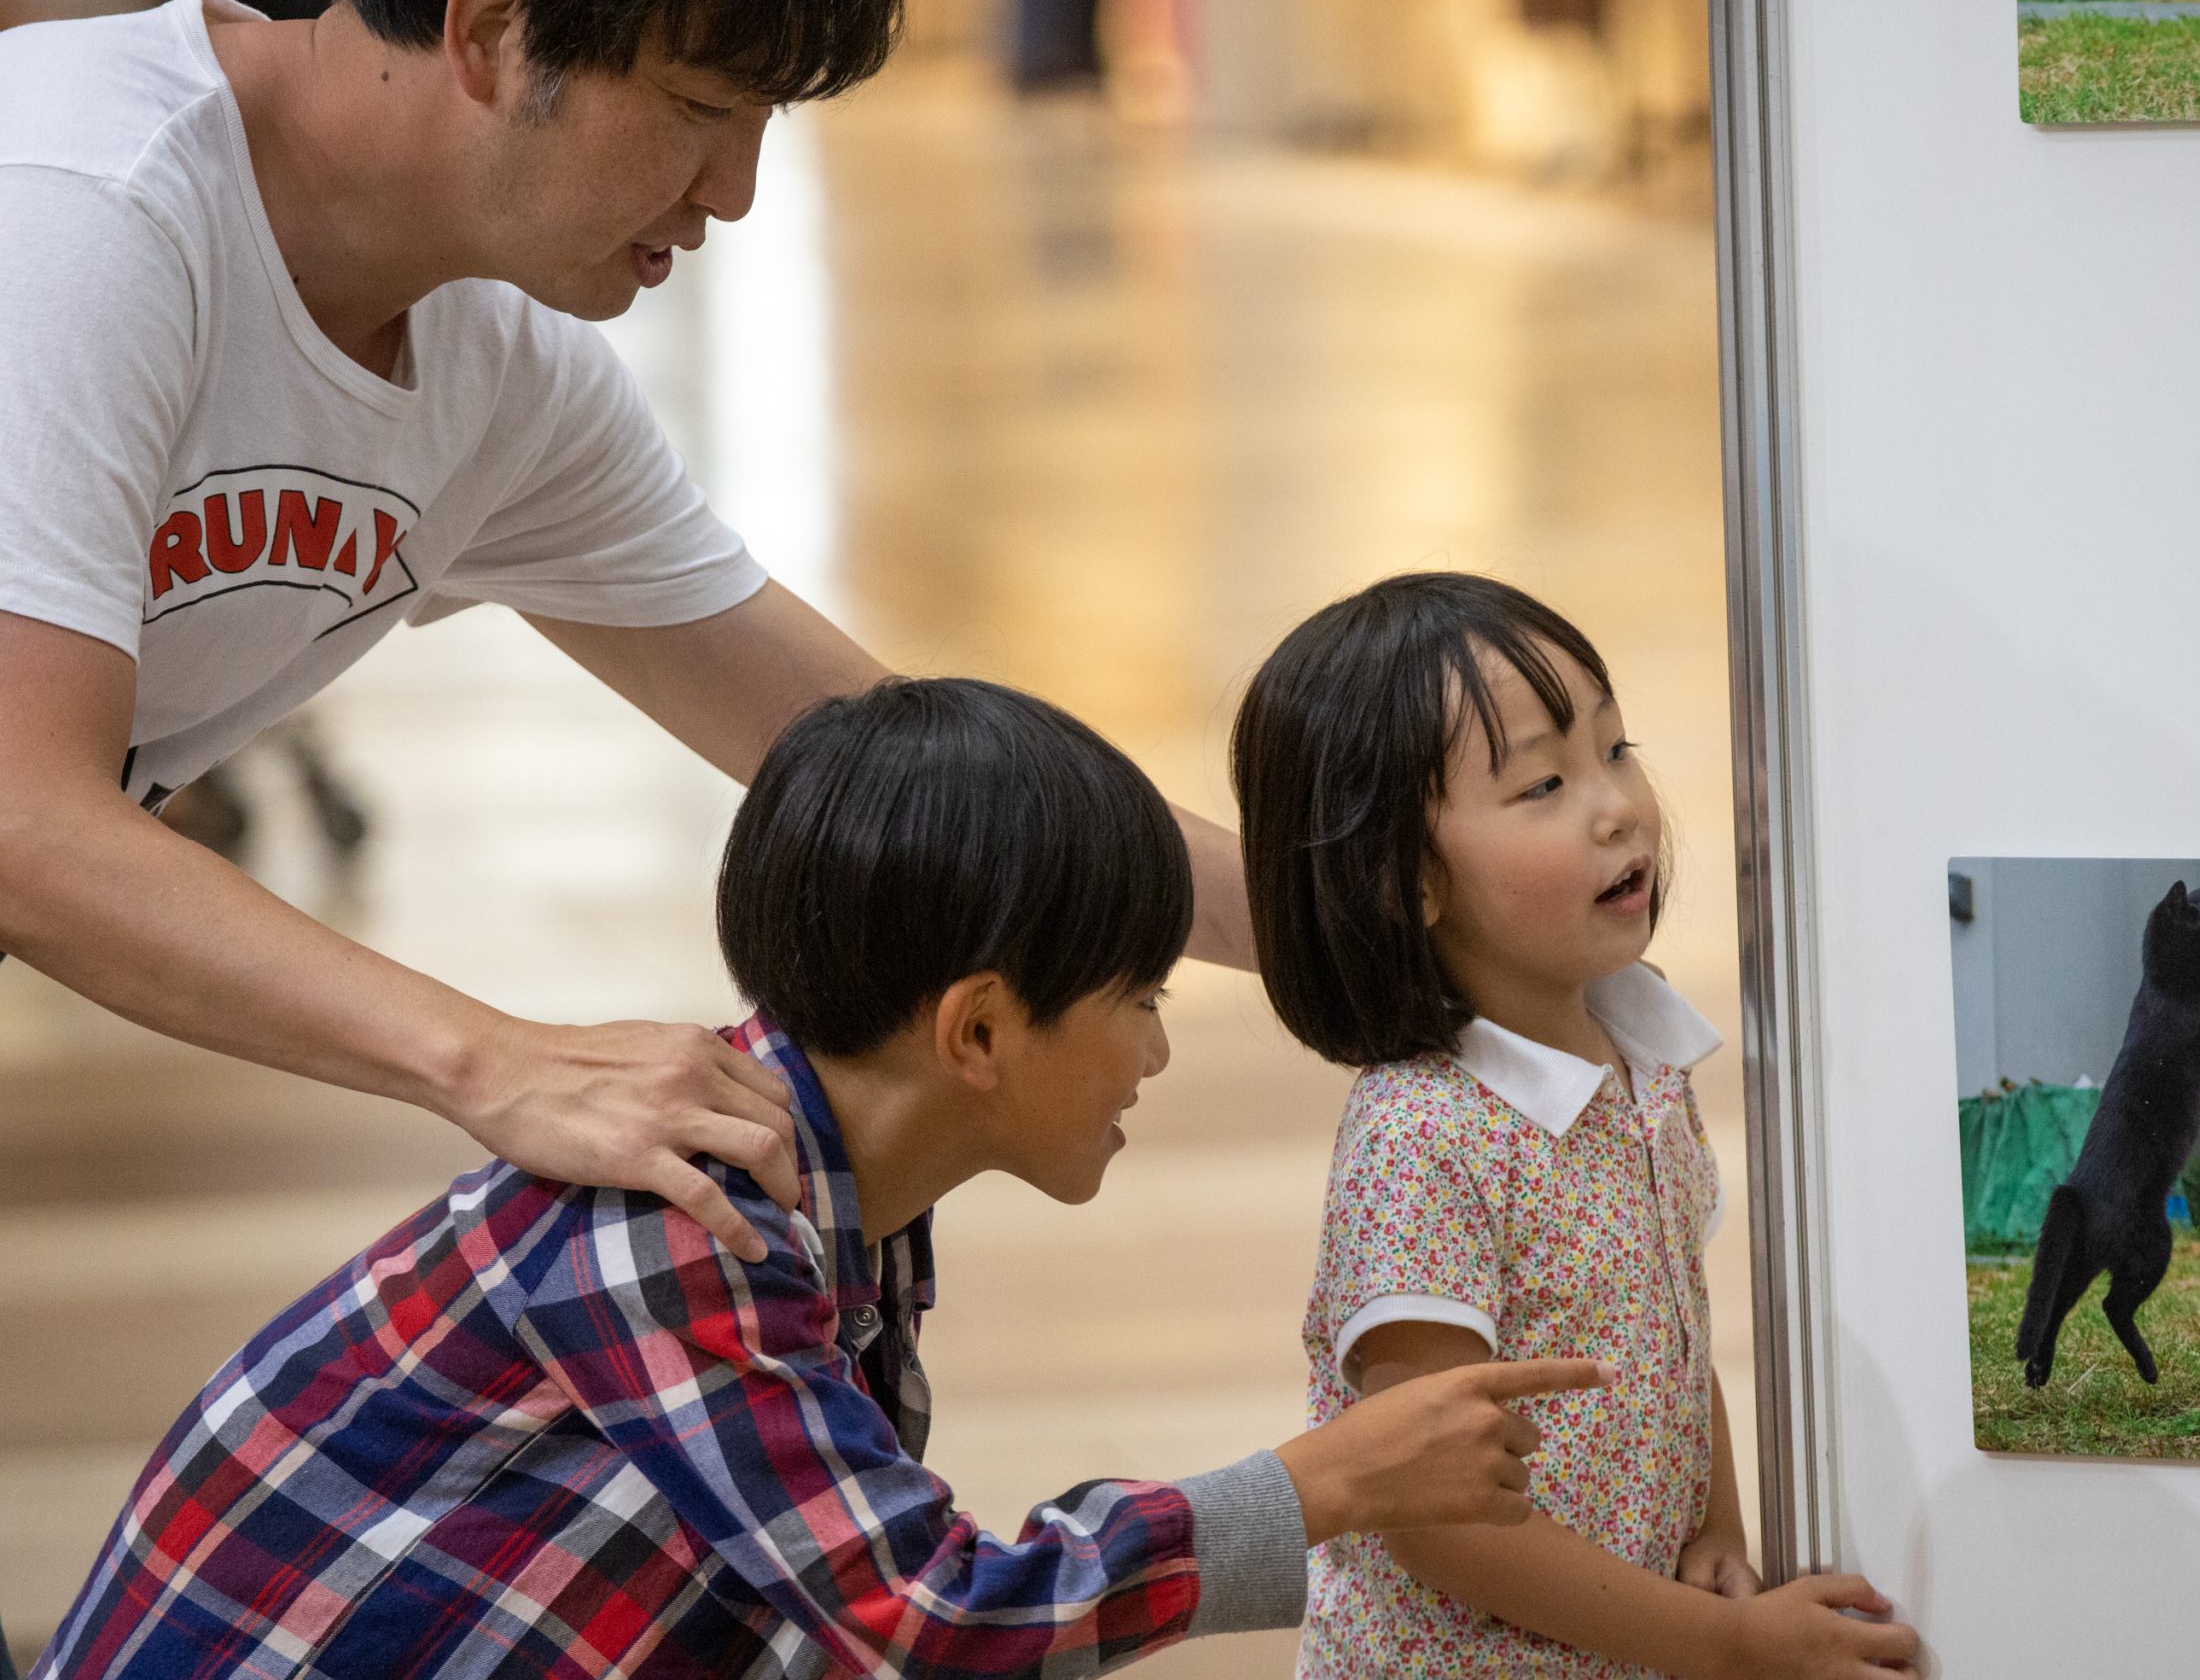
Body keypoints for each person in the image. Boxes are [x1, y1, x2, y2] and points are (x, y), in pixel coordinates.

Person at [0, 0, 1259, 1281]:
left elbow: (887, 757)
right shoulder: (83, 209)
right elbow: (24, 818)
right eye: (699, 106)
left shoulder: (493, 369)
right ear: (491, 28)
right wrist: (493, 1056)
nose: (734, 190)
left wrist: (1355, 933)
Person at [34, 678, 1613, 1680]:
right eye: (1142, 998)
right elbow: (924, 1617)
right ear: (980, 1027)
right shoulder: (682, 1217)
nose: (1155, 1053)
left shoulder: (822, 1191)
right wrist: (1320, 1484)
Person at [1231, 574, 1920, 1679]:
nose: (1618, 805)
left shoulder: (1639, 1052)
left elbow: (1675, 1332)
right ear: (1408, 879)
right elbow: (1428, 1506)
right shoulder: (1421, 1143)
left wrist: (1716, 1528)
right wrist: (1729, 1646)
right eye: (1544, 781)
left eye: (1616, 747)